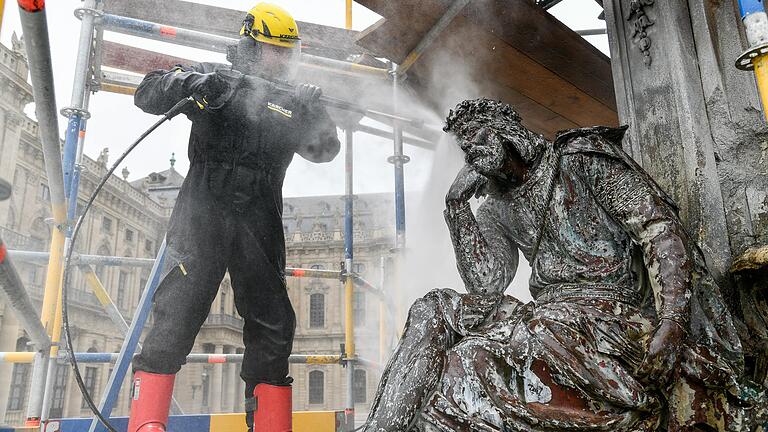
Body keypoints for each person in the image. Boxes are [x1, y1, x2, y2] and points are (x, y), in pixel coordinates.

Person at [363, 98, 746, 431]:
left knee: (500, 345)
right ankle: (380, 427)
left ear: (506, 130)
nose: (471, 152)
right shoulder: (496, 207)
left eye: (477, 137)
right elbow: (486, 287)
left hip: (605, 306)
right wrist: (457, 208)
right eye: (464, 148)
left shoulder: (579, 159)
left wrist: (673, 320)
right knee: (433, 306)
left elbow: (659, 230)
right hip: (549, 311)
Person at [126, 4, 340, 432]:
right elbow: (146, 93)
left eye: (288, 52)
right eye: (274, 51)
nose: (282, 60)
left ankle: (269, 423)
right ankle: (147, 422)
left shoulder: (293, 100)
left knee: (273, 321)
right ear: (250, 45)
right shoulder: (214, 77)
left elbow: (324, 152)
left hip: (260, 216)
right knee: (179, 311)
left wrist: (316, 114)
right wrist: (190, 81)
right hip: (202, 208)